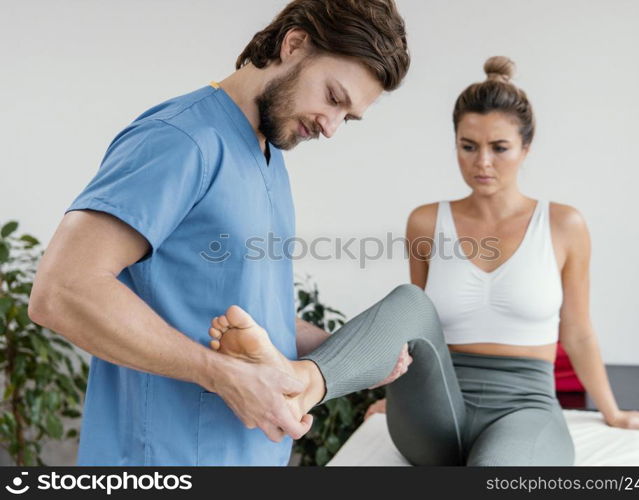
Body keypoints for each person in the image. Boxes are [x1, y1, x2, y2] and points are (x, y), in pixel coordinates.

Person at [208, 56, 639, 465]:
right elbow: (416, 324)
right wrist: (399, 394)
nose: (482, 162)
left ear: (525, 148)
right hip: (437, 409)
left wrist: (613, 412)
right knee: (410, 298)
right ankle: (304, 383)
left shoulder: (564, 225)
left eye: (499, 147)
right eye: (468, 146)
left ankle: (306, 381)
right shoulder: (427, 222)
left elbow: (579, 330)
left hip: (524, 407)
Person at [28, 0, 411, 466]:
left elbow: (233, 304)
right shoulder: (182, 138)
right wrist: (221, 375)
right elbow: (63, 289)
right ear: (294, 45)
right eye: (333, 97)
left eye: (347, 118)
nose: (331, 128)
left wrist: (342, 353)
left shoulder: (269, 155)